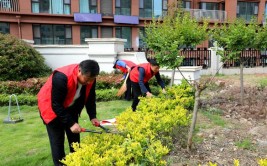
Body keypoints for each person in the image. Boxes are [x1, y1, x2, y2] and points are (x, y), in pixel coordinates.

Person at [37, 59, 100, 166]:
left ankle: (76, 163)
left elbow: (90, 97)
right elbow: (56, 105)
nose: (89, 82)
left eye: (92, 79)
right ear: (79, 71)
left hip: (70, 108)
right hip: (50, 108)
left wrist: (92, 116)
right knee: (57, 142)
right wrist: (71, 123)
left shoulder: (91, 78)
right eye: (87, 79)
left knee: (75, 140)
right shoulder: (61, 77)